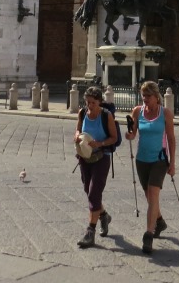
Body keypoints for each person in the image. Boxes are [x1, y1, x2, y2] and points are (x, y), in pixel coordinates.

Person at [126, 79, 176, 254]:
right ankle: (159, 221)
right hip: (142, 159)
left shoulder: (165, 113)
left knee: (153, 193)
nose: (145, 99)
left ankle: (148, 234)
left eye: (148, 96)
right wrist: (129, 135)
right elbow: (133, 134)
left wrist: (172, 162)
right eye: (143, 96)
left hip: (159, 159)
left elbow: (171, 139)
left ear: (156, 96)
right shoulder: (137, 111)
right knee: (149, 196)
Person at [73, 86, 117, 248]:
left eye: (93, 102)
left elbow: (114, 138)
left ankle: (90, 232)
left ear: (99, 101)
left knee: (94, 193)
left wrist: (100, 143)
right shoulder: (82, 113)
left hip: (101, 157)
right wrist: (77, 136)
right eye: (88, 102)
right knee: (88, 190)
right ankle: (104, 215)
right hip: (85, 157)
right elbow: (78, 129)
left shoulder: (106, 115)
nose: (90, 105)